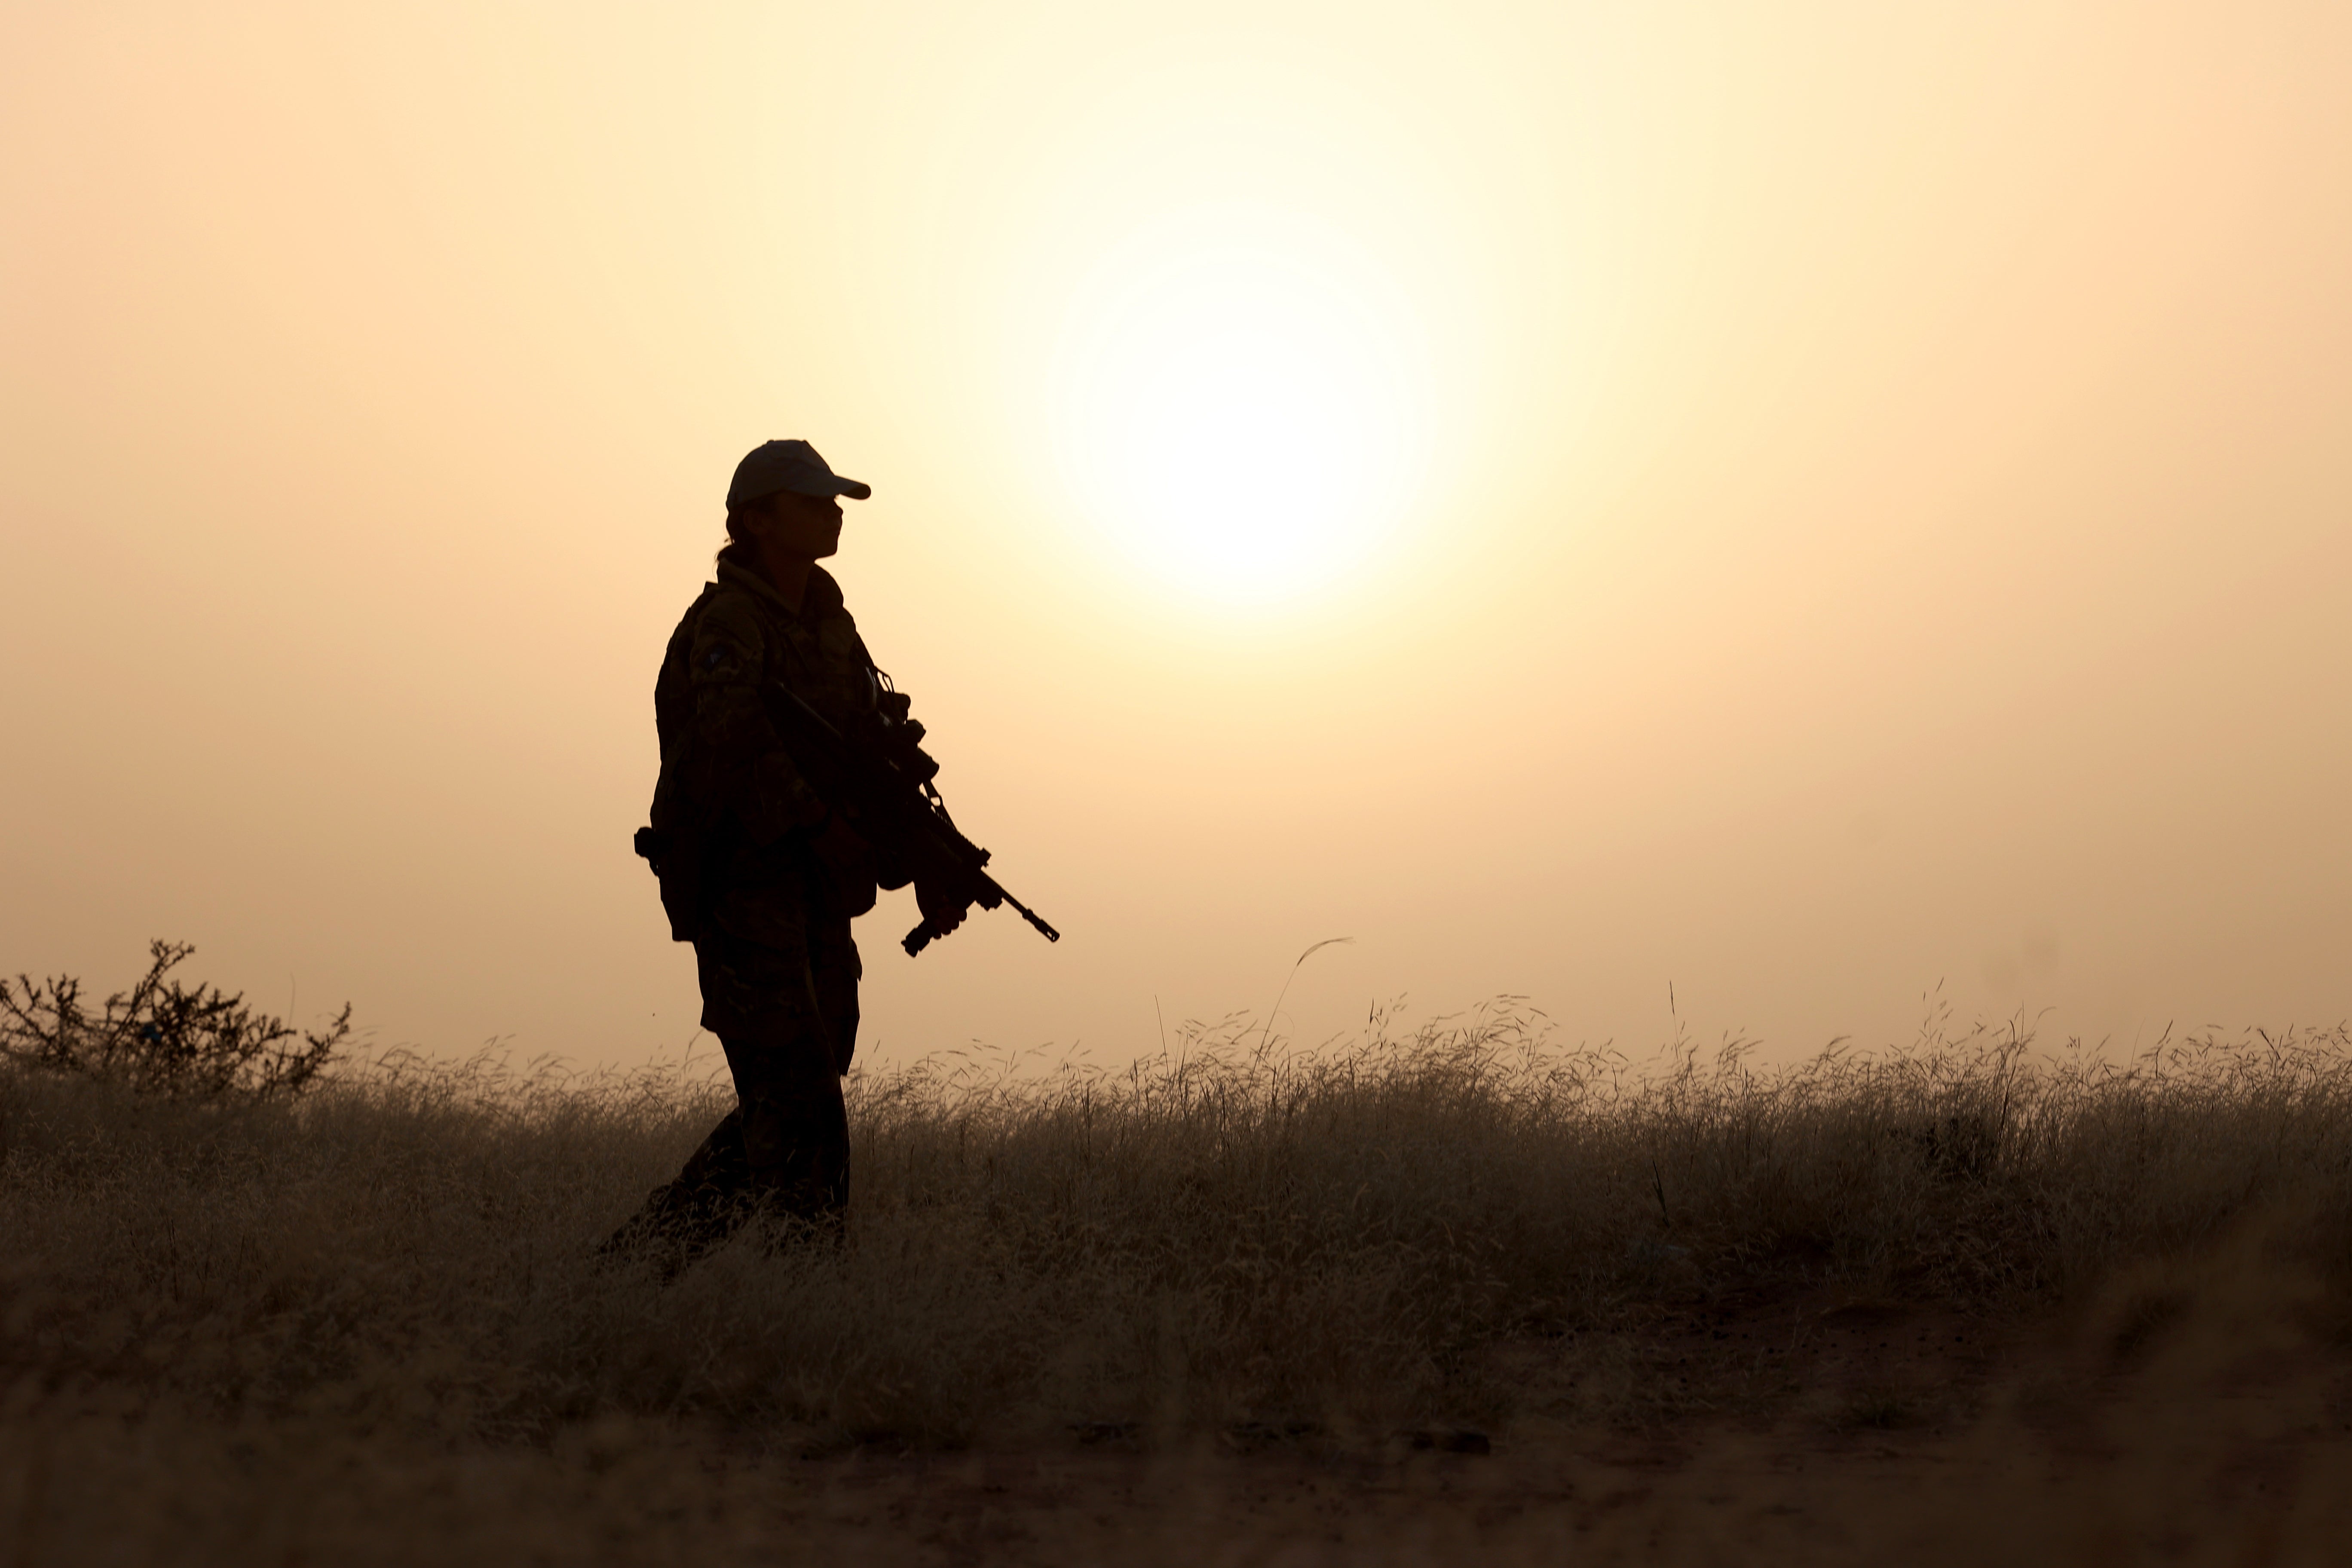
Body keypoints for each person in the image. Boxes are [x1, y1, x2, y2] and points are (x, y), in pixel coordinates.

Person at [603, 439, 968, 1271]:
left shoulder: (832, 626)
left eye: (833, 501)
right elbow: (735, 745)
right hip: (743, 886)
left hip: (812, 892)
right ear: (755, 520)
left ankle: (634, 1270)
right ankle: (801, 1293)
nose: (831, 513)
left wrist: (926, 861)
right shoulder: (727, 626)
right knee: (801, 1108)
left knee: (805, 1078)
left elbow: (871, 759)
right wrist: (819, 825)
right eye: (810, 502)